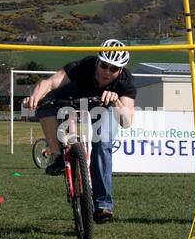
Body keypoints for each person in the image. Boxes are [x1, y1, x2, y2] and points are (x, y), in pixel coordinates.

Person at [23, 39, 137, 223]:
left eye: (114, 69)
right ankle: (58, 155)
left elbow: (127, 121)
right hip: (70, 96)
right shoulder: (83, 66)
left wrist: (116, 101)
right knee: (44, 106)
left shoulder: (125, 81)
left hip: (104, 105)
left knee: (103, 144)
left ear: (121, 70)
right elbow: (49, 83)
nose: (107, 72)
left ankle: (103, 205)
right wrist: (35, 97)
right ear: (97, 61)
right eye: (104, 66)